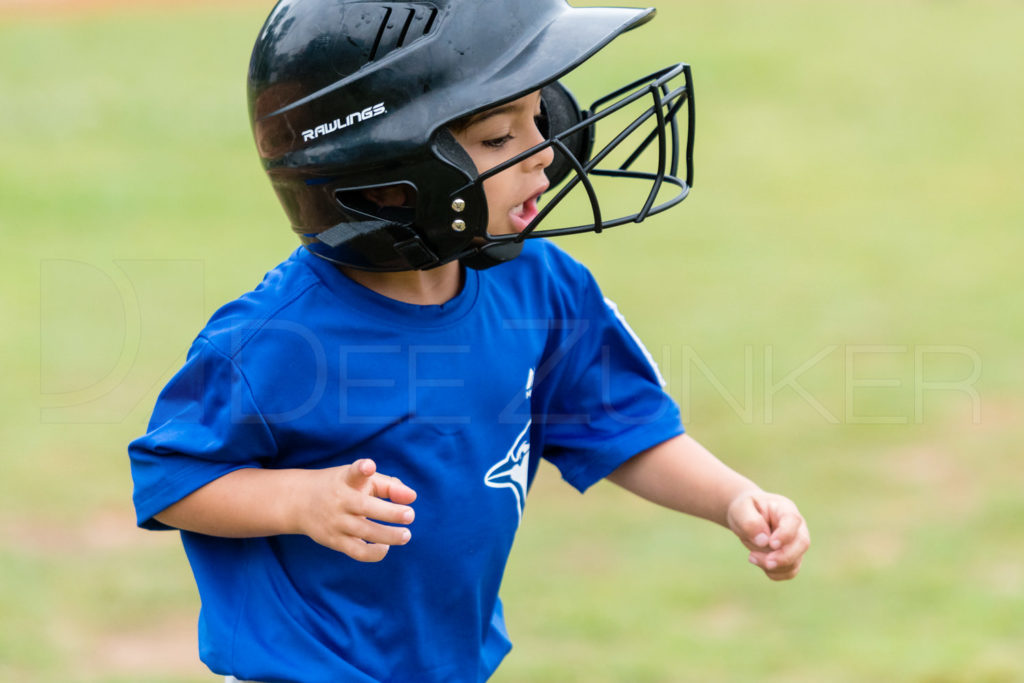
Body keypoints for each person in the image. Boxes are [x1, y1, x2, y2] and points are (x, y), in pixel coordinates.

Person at [128, 1, 810, 681]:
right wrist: (300, 500)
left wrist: (732, 498)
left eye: (538, 118)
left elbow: (623, 425)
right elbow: (173, 479)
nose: (542, 152)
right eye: (497, 138)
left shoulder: (538, 286)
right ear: (387, 172)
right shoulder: (276, 338)